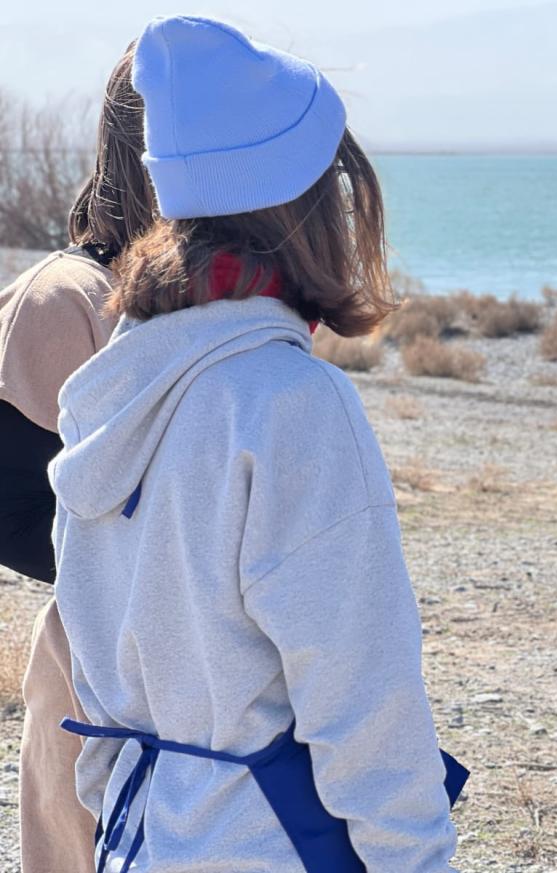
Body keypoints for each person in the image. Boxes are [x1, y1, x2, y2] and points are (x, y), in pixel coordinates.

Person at [50, 15, 457, 872]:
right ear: (307, 205)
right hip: (265, 847)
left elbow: (89, 691)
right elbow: (364, 705)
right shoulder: (289, 404)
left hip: (140, 836)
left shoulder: (108, 393)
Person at [0, 42, 154, 873]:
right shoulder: (67, 297)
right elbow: (13, 509)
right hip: (96, 669)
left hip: (198, 674)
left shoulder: (204, 301)